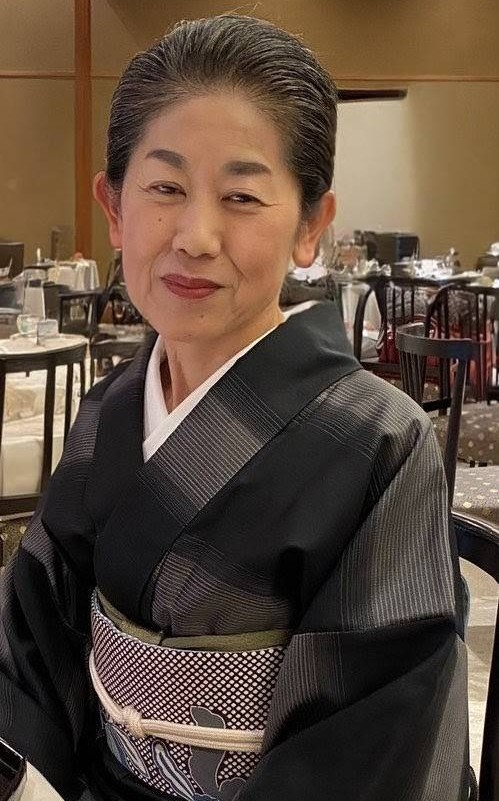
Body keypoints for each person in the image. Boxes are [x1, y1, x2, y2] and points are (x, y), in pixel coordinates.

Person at [0, 15, 469, 801]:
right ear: (114, 207)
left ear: (310, 227)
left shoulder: (381, 442)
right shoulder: (111, 410)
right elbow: (33, 646)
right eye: (165, 188)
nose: (195, 235)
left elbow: (375, 747)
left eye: (242, 195)